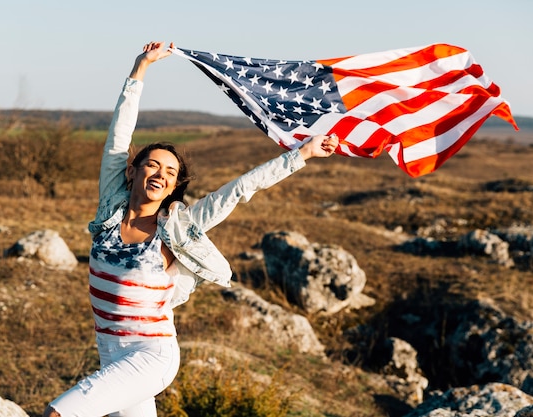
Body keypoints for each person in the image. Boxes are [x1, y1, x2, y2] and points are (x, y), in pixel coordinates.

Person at [43, 41, 339, 417]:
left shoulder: (176, 229)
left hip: (151, 355)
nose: (161, 175)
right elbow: (117, 138)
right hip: (110, 353)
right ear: (132, 172)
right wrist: (140, 69)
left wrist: (302, 155)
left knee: (58, 414)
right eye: (152, 166)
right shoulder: (110, 213)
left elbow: (240, 190)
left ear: (173, 187)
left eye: (170, 173)